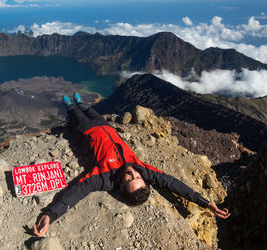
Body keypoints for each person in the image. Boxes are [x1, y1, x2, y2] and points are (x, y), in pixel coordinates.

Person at [33, 93, 230, 237]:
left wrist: (51, 214)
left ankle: (71, 105)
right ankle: (81, 103)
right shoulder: (142, 169)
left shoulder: (103, 177)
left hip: (86, 130)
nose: (132, 174)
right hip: (106, 127)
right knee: (89, 110)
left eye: (129, 179)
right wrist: (205, 203)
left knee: (76, 113)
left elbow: (77, 191)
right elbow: (173, 184)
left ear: (121, 186)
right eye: (137, 178)